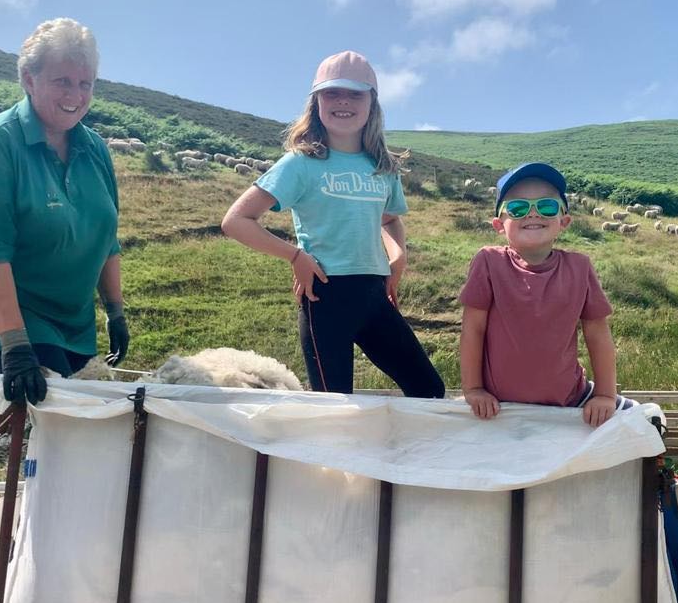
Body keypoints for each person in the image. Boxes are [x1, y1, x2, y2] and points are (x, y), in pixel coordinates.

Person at [221, 50, 444, 398]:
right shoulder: (300, 163)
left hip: (375, 294)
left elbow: (390, 219)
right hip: (325, 294)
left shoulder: (383, 166)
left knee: (429, 389)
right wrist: (295, 257)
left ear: (372, 103)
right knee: (333, 405)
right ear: (316, 102)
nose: (343, 102)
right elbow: (236, 221)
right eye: (332, 93)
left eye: (355, 94)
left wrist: (398, 257)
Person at [0, 18, 129, 404]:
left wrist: (115, 312)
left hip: (74, 317)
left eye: (85, 84)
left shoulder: (96, 149)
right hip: (10, 309)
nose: (75, 95)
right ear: (29, 80)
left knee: (75, 422)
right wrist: (14, 345)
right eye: (62, 81)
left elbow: (106, 237)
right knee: (47, 418)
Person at [459, 162, 634, 425]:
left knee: (644, 419)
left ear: (563, 221)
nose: (533, 214)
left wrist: (605, 395)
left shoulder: (580, 266)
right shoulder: (488, 263)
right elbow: (473, 329)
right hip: (498, 403)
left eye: (546, 206)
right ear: (499, 224)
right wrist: (473, 389)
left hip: (571, 398)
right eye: (518, 208)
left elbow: (598, 334)